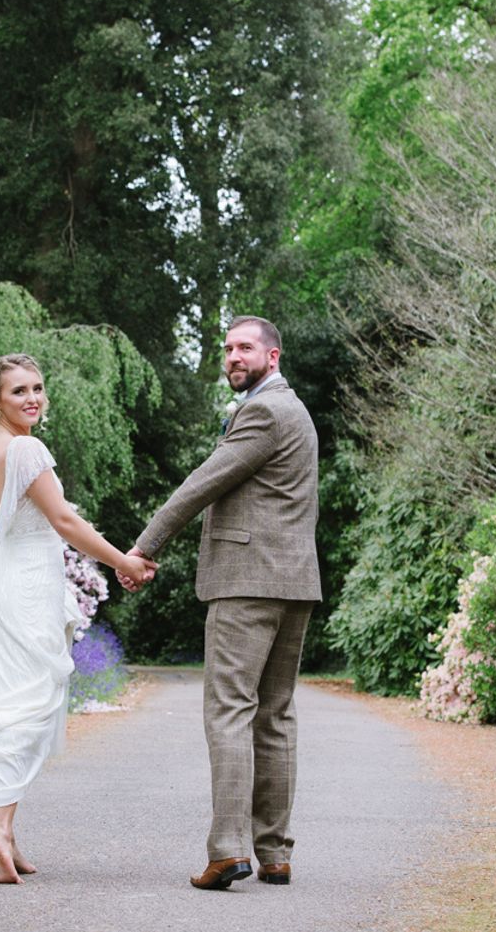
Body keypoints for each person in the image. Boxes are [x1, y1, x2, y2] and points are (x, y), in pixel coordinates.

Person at [119, 316, 321, 891]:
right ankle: (275, 855)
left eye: (246, 348)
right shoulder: (296, 412)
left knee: (230, 710)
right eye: (228, 348)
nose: (233, 357)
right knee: (275, 716)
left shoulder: (263, 411)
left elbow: (202, 483)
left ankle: (229, 850)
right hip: (294, 581)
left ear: (273, 356)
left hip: (248, 582)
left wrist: (143, 547)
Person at [0, 353, 156, 884]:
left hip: (0, 586)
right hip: (26, 590)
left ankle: (8, 834)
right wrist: (124, 561)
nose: (32, 398)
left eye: (38, 388)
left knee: (5, 700)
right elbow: (64, 519)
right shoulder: (25, 447)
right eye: (18, 391)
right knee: (30, 704)